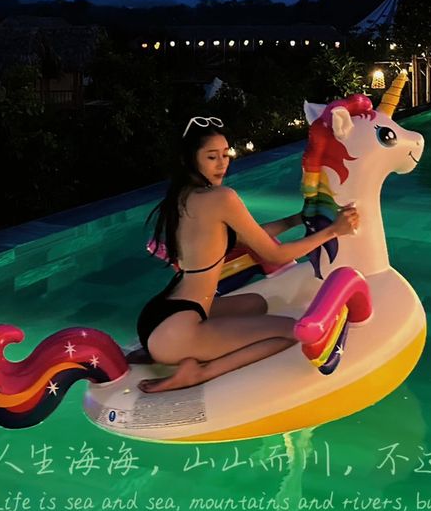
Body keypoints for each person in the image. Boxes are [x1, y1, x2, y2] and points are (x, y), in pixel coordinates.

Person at [136, 116, 359, 394]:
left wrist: (296, 219)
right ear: (190, 160)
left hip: (159, 313)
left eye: (225, 154)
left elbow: (247, 236)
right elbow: (275, 254)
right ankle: (198, 372)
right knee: (292, 331)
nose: (222, 164)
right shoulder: (221, 198)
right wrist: (334, 231)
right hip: (176, 331)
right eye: (211, 157)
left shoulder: (182, 196)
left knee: (255, 304)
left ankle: (159, 350)